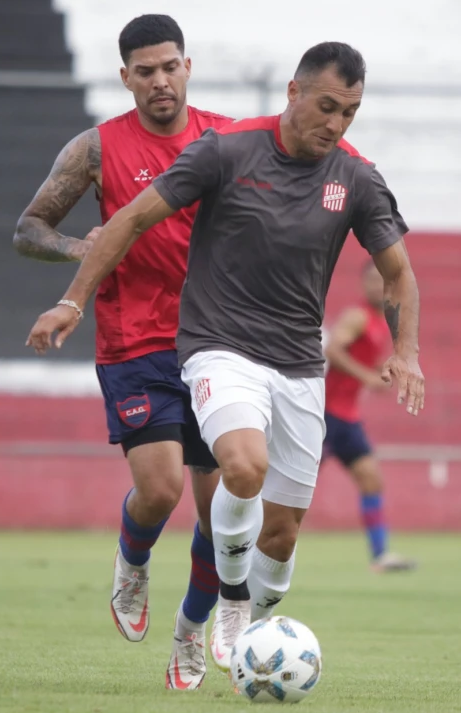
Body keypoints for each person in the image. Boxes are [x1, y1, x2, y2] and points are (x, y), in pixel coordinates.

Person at [27, 41, 425, 673]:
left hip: (298, 366)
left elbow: (398, 274)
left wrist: (407, 351)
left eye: (348, 113)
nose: (335, 124)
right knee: (233, 473)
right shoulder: (229, 150)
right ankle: (226, 598)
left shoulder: (356, 175)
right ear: (293, 93)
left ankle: (201, 624)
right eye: (326, 107)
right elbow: (130, 220)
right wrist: (73, 304)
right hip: (215, 348)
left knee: (280, 534)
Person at [13, 14, 231, 690]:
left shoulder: (225, 141)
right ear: (126, 77)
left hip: (217, 342)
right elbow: (30, 228)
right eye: (145, 71)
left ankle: (191, 633)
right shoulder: (99, 149)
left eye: (170, 66)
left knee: (221, 512)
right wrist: (93, 249)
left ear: (187, 67)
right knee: (161, 488)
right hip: (134, 340)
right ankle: (132, 562)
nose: (160, 80)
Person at [323, 259, 417, 572]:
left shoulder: (382, 321)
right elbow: (333, 351)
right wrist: (366, 377)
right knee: (293, 490)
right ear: (363, 284)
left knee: (371, 480)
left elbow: (364, 361)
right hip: (323, 416)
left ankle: (380, 556)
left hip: (347, 418)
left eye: (381, 280)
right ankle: (249, 546)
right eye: (371, 280)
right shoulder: (357, 316)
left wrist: (383, 372)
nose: (377, 285)